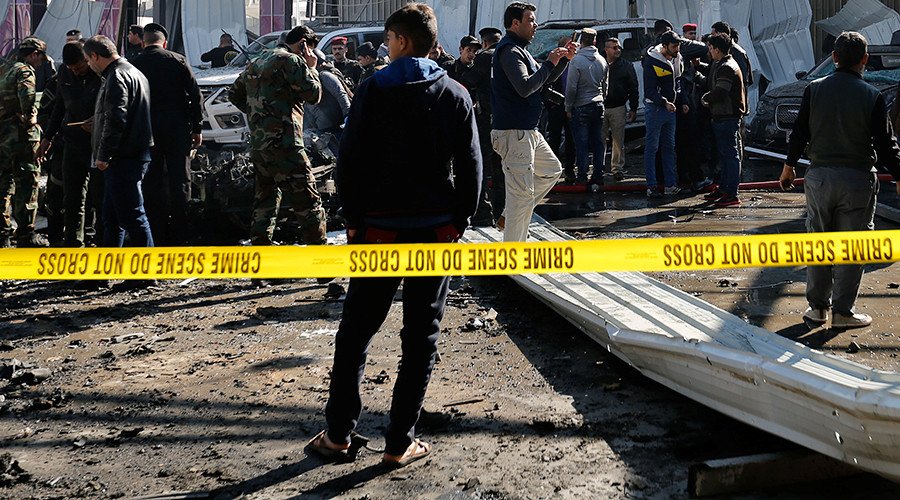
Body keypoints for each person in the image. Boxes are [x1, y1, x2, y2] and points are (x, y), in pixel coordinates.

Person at [308, 2, 481, 467]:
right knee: (420, 337)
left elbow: (350, 160)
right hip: (434, 232)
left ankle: (338, 435)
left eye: (388, 40)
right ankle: (400, 442)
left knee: (356, 331)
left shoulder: (372, 89)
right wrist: (459, 221)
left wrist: (354, 220)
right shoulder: (455, 93)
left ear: (402, 41)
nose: (385, 47)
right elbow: (471, 165)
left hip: (379, 232)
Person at [780, 31, 900, 329]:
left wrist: (789, 166)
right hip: (857, 180)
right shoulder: (872, 96)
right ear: (865, 60)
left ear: (833, 57)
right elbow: (886, 144)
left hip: (819, 178)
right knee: (851, 247)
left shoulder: (813, 89)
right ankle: (843, 313)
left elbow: (799, 132)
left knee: (818, 242)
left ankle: (817, 309)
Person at [229, 25, 327, 251]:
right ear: (303, 44)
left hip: (260, 145)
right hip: (286, 143)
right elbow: (314, 95)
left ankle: (261, 254)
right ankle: (320, 254)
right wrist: (312, 67)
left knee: (265, 199)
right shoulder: (292, 61)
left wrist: (260, 117)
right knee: (307, 199)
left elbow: (234, 94)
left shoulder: (257, 60)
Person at [491, 2, 576, 241]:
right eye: (530, 20)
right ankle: (513, 253)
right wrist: (549, 62)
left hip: (528, 131)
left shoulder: (521, 50)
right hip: (514, 133)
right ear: (515, 23)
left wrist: (563, 60)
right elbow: (525, 87)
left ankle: (508, 215)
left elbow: (543, 80)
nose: (535, 25)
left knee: (551, 170)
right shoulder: (510, 51)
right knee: (521, 196)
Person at [85, 35, 155, 290]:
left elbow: (117, 118)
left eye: (88, 60)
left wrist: (103, 155)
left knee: (133, 216)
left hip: (123, 157)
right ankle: (105, 273)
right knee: (112, 217)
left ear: (95, 56)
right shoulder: (134, 72)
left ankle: (144, 274)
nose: (89, 65)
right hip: (132, 153)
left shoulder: (116, 77)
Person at [131, 23, 203, 246]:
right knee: (180, 179)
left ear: (143, 43)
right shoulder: (178, 60)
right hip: (177, 129)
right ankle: (181, 234)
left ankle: (156, 233)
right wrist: (197, 128)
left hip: (146, 131)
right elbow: (195, 95)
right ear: (164, 43)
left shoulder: (134, 64)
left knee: (151, 181)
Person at [39, 41, 104, 250]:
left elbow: (115, 107)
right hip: (71, 142)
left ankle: (99, 241)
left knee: (98, 197)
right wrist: (48, 137)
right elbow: (59, 105)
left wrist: (98, 121)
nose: (76, 72)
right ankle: (73, 244)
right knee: (72, 197)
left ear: (88, 58)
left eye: (79, 67)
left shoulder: (103, 74)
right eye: (72, 69)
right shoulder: (64, 73)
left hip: (96, 145)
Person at [0, 38, 49, 248]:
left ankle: (2, 234)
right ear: (34, 54)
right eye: (41, 58)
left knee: (3, 184)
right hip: (21, 136)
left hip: (2, 135)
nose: (41, 62)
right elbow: (28, 99)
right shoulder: (25, 71)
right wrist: (31, 118)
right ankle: (26, 235)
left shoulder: (4, 69)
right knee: (27, 184)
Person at [460, 26, 504, 224]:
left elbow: (467, 81)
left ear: (485, 43)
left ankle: (484, 214)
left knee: (484, 167)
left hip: (486, 119)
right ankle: (502, 212)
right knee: (502, 169)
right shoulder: (509, 54)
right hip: (506, 120)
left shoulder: (484, 57)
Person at [699, 33, 746, 208]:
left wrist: (705, 98)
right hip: (723, 116)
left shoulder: (727, 67)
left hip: (728, 117)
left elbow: (721, 91)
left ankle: (731, 192)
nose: (709, 51)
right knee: (725, 156)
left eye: (711, 48)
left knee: (730, 156)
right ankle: (725, 188)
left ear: (717, 49)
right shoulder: (723, 64)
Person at [565, 28, 607, 189]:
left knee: (581, 144)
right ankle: (598, 175)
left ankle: (582, 176)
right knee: (598, 143)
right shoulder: (602, 60)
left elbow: (571, 88)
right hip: (598, 103)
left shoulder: (576, 61)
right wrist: (602, 98)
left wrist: (568, 106)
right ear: (595, 41)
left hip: (581, 105)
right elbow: (606, 85)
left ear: (581, 41)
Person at [642, 30, 683, 197]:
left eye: (678, 45)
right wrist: (664, 102)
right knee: (652, 148)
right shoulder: (652, 61)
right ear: (664, 46)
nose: (677, 49)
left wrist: (683, 101)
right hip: (656, 109)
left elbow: (678, 82)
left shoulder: (676, 58)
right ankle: (651, 186)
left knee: (669, 148)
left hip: (670, 110)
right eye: (674, 46)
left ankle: (670, 185)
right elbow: (649, 91)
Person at [602, 37, 637, 182]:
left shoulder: (626, 66)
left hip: (618, 106)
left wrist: (633, 108)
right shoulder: (600, 63)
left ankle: (617, 168)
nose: (618, 50)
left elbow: (633, 87)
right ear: (606, 49)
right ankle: (599, 168)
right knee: (600, 139)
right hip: (601, 107)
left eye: (619, 48)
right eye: (614, 48)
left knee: (618, 140)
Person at [545, 36, 576, 185]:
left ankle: (569, 170)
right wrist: (551, 105)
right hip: (556, 107)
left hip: (571, 107)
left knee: (571, 140)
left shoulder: (575, 63)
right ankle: (553, 172)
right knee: (554, 139)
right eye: (568, 46)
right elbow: (545, 84)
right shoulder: (553, 63)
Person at [304, 48, 351, 139]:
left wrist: (348, 116)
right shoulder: (306, 82)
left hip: (337, 128)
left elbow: (341, 95)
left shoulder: (325, 76)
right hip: (321, 131)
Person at [710, 21, 752, 90]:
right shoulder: (718, 51)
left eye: (713, 35)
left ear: (720, 34)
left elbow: (743, 80)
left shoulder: (737, 53)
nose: (711, 38)